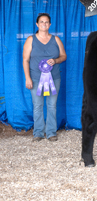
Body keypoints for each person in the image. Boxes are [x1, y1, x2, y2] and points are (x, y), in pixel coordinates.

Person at [23, 13, 67, 142]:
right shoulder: (31, 40)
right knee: (37, 105)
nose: (44, 24)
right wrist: (28, 78)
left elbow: (63, 56)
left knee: (52, 105)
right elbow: (25, 60)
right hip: (35, 78)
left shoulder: (56, 39)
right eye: (41, 22)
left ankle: (51, 132)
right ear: (37, 24)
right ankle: (38, 133)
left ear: (50, 24)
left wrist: (56, 60)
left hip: (54, 78)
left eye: (47, 22)